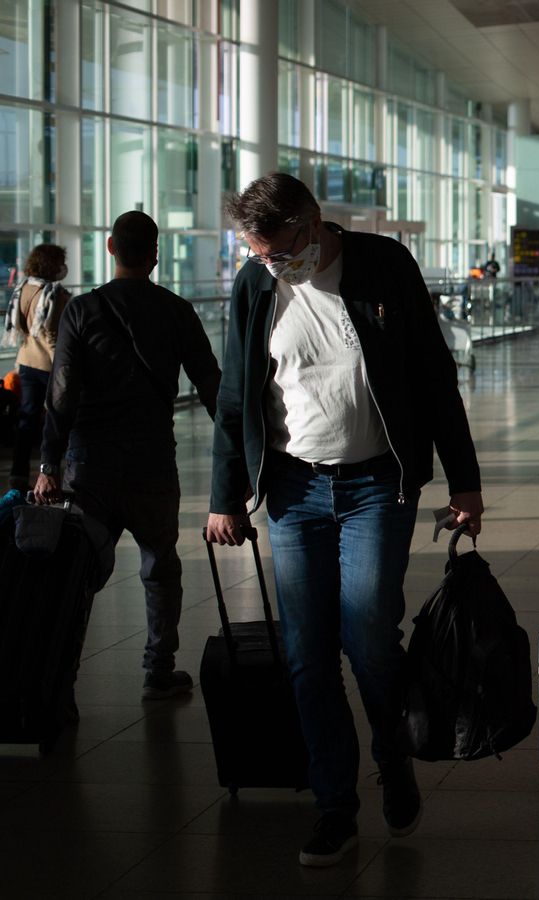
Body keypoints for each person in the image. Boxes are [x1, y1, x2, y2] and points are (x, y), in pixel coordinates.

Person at [204, 173, 484, 867]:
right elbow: (236, 394)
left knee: (368, 637)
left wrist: (465, 480)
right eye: (260, 254)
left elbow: (432, 374)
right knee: (307, 654)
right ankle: (334, 804)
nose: (272, 263)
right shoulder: (254, 286)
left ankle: (393, 758)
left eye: (279, 250)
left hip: (376, 483)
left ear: (313, 222)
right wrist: (222, 495)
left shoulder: (383, 263)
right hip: (295, 491)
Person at [33, 211, 221, 700]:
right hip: (152, 461)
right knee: (160, 565)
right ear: (155, 254)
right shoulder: (177, 310)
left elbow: (61, 395)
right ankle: (158, 668)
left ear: (111, 247)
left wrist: (48, 466)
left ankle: (62, 677)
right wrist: (242, 457)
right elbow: (212, 387)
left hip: (88, 464)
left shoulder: (82, 310)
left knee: (79, 572)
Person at [5, 243, 72, 490]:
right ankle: (55, 473)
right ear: (52, 265)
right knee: (58, 419)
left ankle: (18, 475)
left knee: (27, 420)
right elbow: (55, 336)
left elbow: (22, 329)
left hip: (26, 362)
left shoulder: (22, 289)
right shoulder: (55, 294)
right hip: (49, 365)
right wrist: (64, 366)